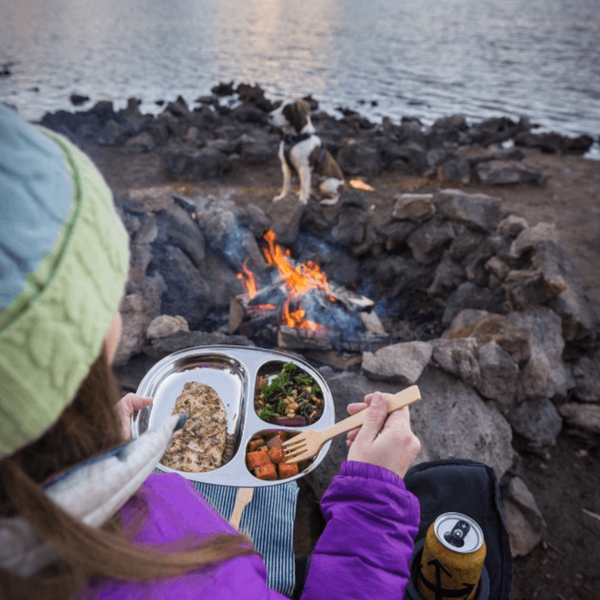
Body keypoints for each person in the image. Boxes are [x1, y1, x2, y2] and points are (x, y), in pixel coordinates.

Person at [0, 105, 422, 600]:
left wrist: (95, 453)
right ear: (83, 341)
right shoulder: (190, 575)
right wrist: (373, 508)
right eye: (110, 293)